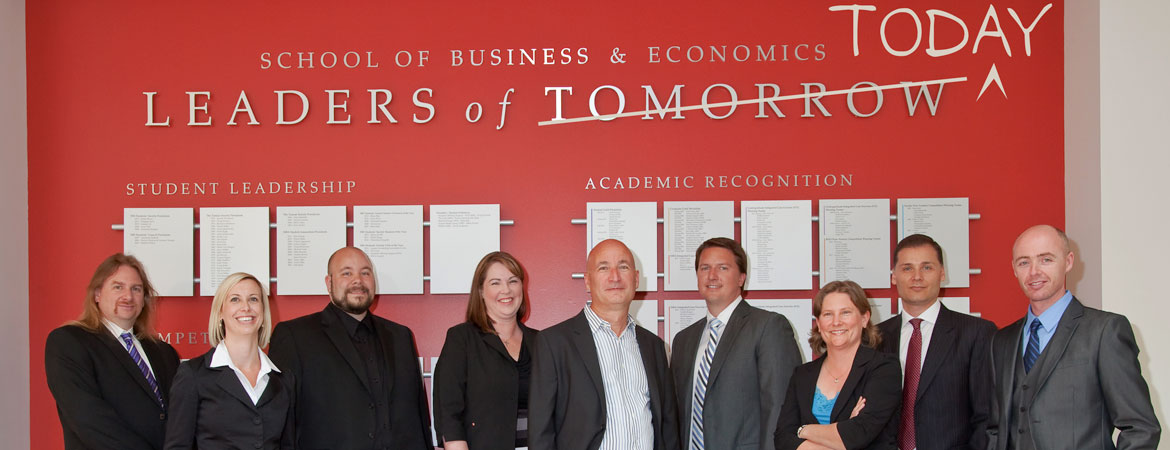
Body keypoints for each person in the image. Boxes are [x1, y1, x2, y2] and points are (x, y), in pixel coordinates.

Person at [986, 225, 1160, 450]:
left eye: (1046, 260)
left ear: (1068, 262)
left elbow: (1141, 428)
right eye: (1024, 262)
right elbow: (995, 429)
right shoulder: (1001, 341)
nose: (1034, 272)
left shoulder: (1104, 331)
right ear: (1014, 269)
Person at [268, 246, 431, 450]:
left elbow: (419, 418)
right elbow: (279, 421)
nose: (358, 280)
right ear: (329, 283)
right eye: (347, 273)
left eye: (365, 273)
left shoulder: (401, 337)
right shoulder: (294, 336)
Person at [529, 239, 680, 450]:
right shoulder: (555, 343)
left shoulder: (654, 346)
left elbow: (668, 427)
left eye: (623, 267)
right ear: (588, 281)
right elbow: (540, 433)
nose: (615, 276)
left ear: (636, 279)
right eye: (603, 268)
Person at [671, 237, 802, 450]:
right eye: (705, 268)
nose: (712, 275)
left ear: (741, 278)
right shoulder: (683, 340)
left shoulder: (768, 327)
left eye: (723, 267)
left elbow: (780, 408)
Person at [45, 253, 181, 450]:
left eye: (136, 289)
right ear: (97, 294)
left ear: (144, 299)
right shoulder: (70, 342)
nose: (128, 296)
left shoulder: (164, 352)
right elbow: (88, 418)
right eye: (118, 287)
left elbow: (180, 416)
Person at [876, 234, 995, 450]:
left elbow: (987, 417)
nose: (917, 277)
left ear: (942, 274)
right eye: (907, 268)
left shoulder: (976, 333)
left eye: (927, 267)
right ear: (893, 276)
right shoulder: (876, 337)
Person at [163, 272, 294, 449]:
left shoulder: (284, 380)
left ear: (263, 311)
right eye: (235, 299)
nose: (246, 307)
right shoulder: (193, 375)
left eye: (253, 299)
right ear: (220, 312)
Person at [775, 280, 900, 450]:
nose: (836, 322)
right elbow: (782, 438)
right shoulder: (802, 374)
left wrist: (803, 430)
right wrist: (842, 430)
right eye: (828, 314)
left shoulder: (883, 368)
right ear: (819, 324)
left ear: (864, 318)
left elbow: (858, 434)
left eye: (845, 313)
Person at [433, 251, 539, 450]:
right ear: (481, 291)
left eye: (513, 281)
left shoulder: (541, 342)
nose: (506, 290)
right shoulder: (462, 339)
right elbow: (448, 410)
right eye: (495, 282)